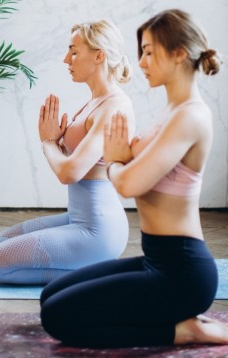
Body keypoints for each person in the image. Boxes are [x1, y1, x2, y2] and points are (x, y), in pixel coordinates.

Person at [40, 8, 228, 348]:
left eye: (149, 52)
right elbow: (125, 163)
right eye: (142, 52)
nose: (140, 62)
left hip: (182, 272)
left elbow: (128, 184)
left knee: (57, 317)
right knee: (50, 296)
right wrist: (119, 159)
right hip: (155, 258)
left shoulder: (191, 117)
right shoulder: (169, 112)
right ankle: (175, 319)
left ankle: (181, 330)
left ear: (179, 54)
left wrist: (113, 160)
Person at [0, 19, 135, 284]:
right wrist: (58, 140)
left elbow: (70, 172)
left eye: (74, 51)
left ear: (99, 55)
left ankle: (99, 270)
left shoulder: (114, 107)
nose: (66, 59)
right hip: (77, 218)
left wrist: (49, 143)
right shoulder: (96, 101)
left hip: (97, 230)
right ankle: (90, 266)